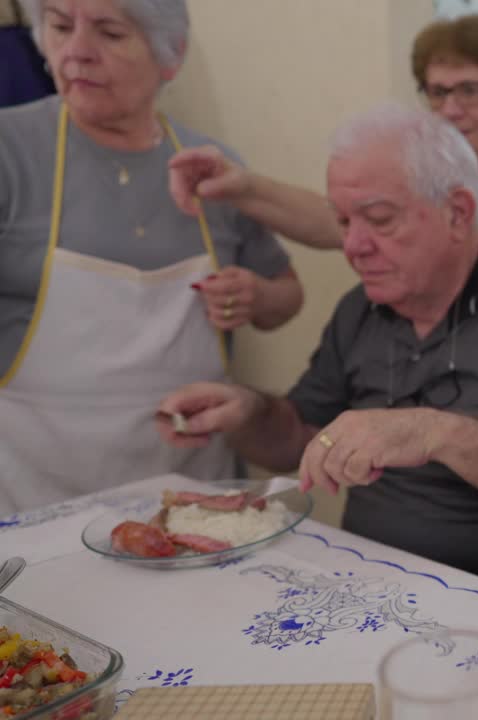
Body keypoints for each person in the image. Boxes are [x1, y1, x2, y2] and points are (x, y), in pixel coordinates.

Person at [156, 104, 478, 578]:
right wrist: (247, 411)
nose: (353, 246)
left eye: (378, 219)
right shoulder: (362, 308)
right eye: (344, 221)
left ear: (458, 212)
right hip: (367, 580)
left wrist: (438, 433)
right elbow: (301, 436)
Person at [0, 0, 302, 515]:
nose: (76, 52)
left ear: (171, 55)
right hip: (33, 496)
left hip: (191, 500)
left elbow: (286, 297)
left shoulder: (210, 166)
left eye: (109, 32)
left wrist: (257, 296)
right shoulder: (10, 149)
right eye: (60, 26)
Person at [162, 14, 478, 298]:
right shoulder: (432, 179)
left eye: (468, 90)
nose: (451, 109)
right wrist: (244, 187)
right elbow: (334, 221)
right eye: (437, 93)